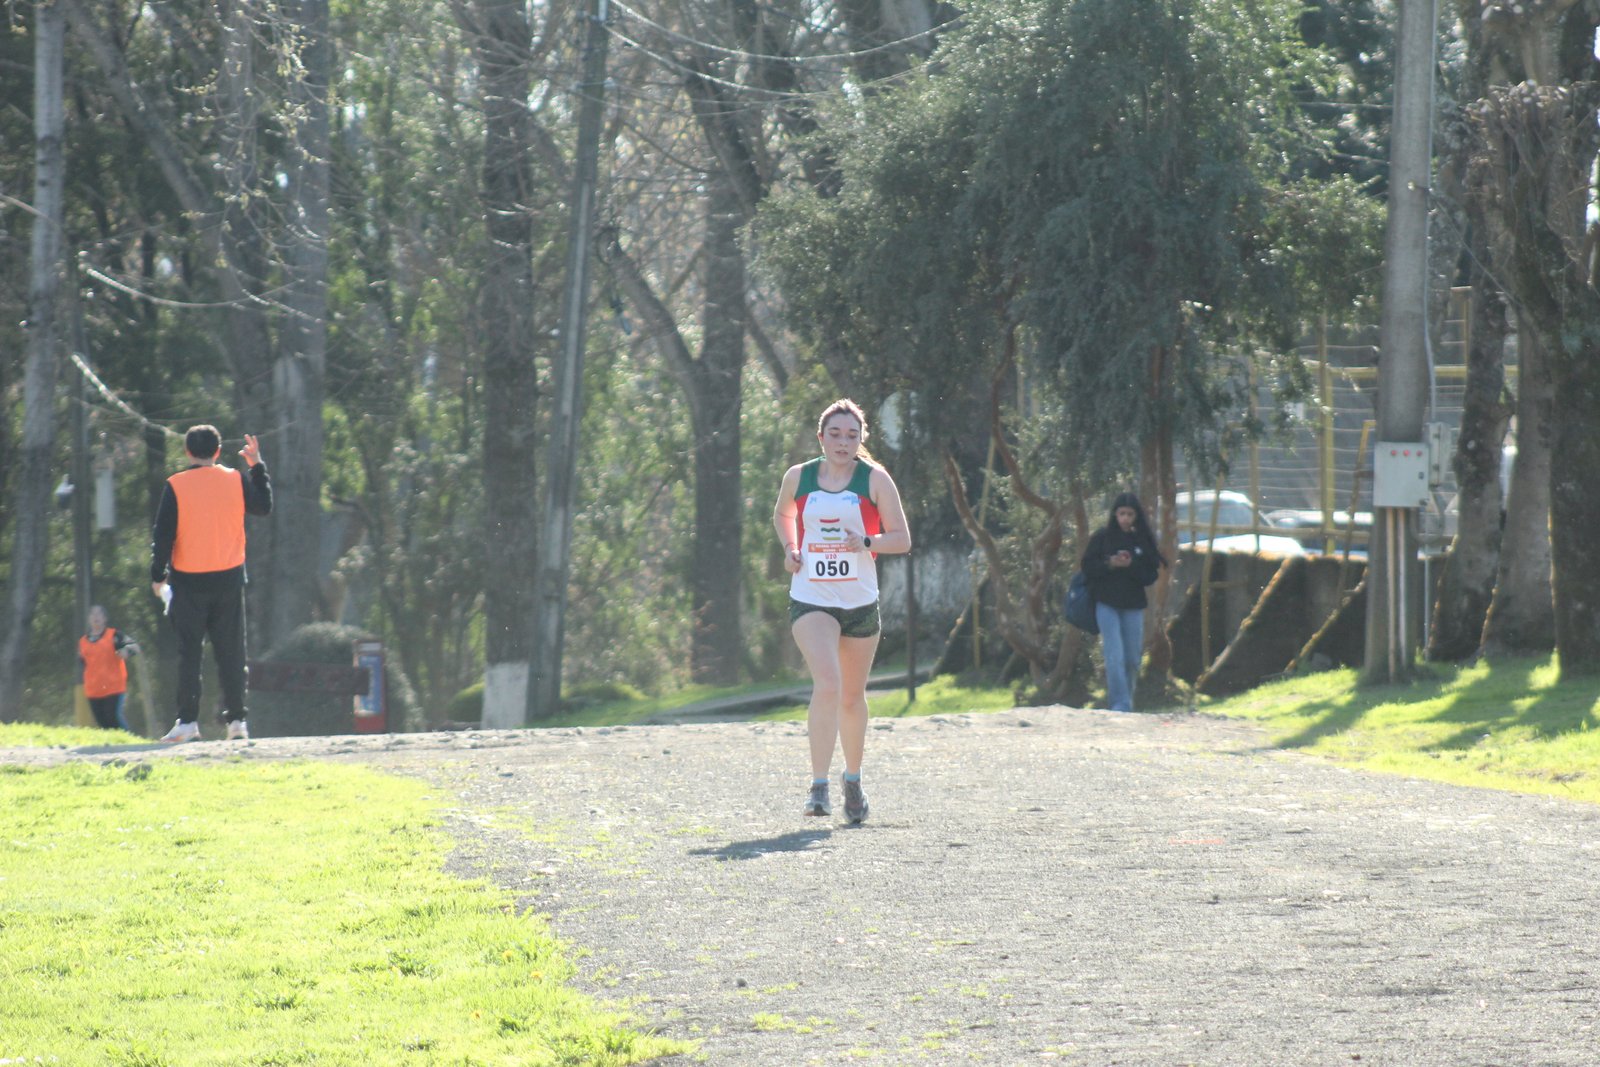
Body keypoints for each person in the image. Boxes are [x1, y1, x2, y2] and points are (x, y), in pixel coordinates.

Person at [772, 399, 911, 824]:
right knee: (828, 683)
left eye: (852, 435)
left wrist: (867, 543)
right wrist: (791, 548)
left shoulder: (876, 481)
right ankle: (818, 787)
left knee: (851, 697)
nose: (843, 442)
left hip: (859, 603)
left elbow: (901, 539)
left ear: (861, 439)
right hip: (811, 597)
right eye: (835, 434)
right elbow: (783, 514)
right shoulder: (800, 477)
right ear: (821, 437)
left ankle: (853, 780)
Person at [150, 425, 272, 742]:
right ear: (218, 451)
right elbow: (263, 506)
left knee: (189, 653)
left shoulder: (175, 485)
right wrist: (257, 466)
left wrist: (157, 575)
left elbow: (162, 535)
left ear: (188, 451)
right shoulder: (235, 478)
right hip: (229, 579)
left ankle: (188, 722)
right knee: (231, 653)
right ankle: (237, 722)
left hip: (188, 581)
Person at [1081, 492, 1164, 713]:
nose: (1125, 518)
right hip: (1106, 604)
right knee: (1114, 654)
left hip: (1133, 606)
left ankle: (1126, 700)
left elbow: (1150, 575)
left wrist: (1131, 565)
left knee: (1132, 659)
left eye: (1129, 514)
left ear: (1136, 516)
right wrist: (1110, 563)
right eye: (1121, 513)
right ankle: (1120, 704)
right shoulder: (1102, 538)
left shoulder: (1142, 542)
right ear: (1115, 514)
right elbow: (1087, 568)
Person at [78, 604, 138, 731]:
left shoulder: (114, 635)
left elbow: (134, 646)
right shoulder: (83, 641)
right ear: (89, 619)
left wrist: (126, 651)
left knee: (113, 717)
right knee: (103, 723)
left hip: (114, 687)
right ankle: (110, 749)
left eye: (99, 614)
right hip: (93, 689)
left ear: (105, 618)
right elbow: (83, 663)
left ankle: (130, 743)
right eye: (93, 614)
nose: (96, 617)